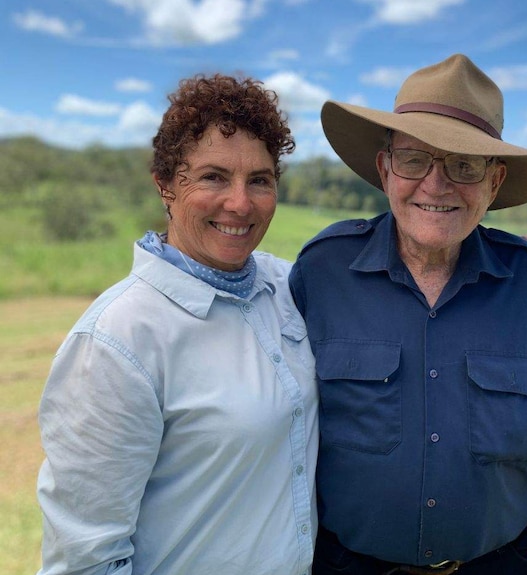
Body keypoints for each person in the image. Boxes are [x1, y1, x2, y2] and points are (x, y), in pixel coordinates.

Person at [289, 54, 527, 575]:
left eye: (464, 164)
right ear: (385, 169)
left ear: (494, 183)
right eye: (414, 160)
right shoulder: (321, 271)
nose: (436, 184)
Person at [36, 74, 318, 575]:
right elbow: (86, 559)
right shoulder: (117, 340)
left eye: (260, 179)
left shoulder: (285, 287)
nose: (240, 203)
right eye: (212, 177)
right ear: (166, 184)